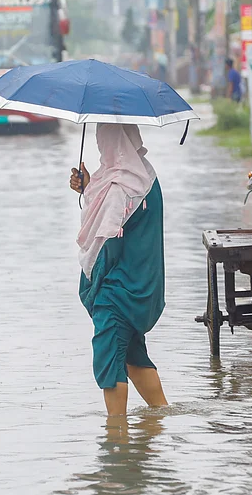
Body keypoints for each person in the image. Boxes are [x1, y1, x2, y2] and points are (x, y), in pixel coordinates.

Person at [69, 124, 168, 417]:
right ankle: (160, 422)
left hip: (117, 291)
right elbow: (124, 222)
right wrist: (89, 188)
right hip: (142, 286)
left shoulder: (119, 188)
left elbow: (105, 245)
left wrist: (93, 287)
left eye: (104, 139)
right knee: (132, 354)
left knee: (109, 359)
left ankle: (117, 440)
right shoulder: (146, 178)